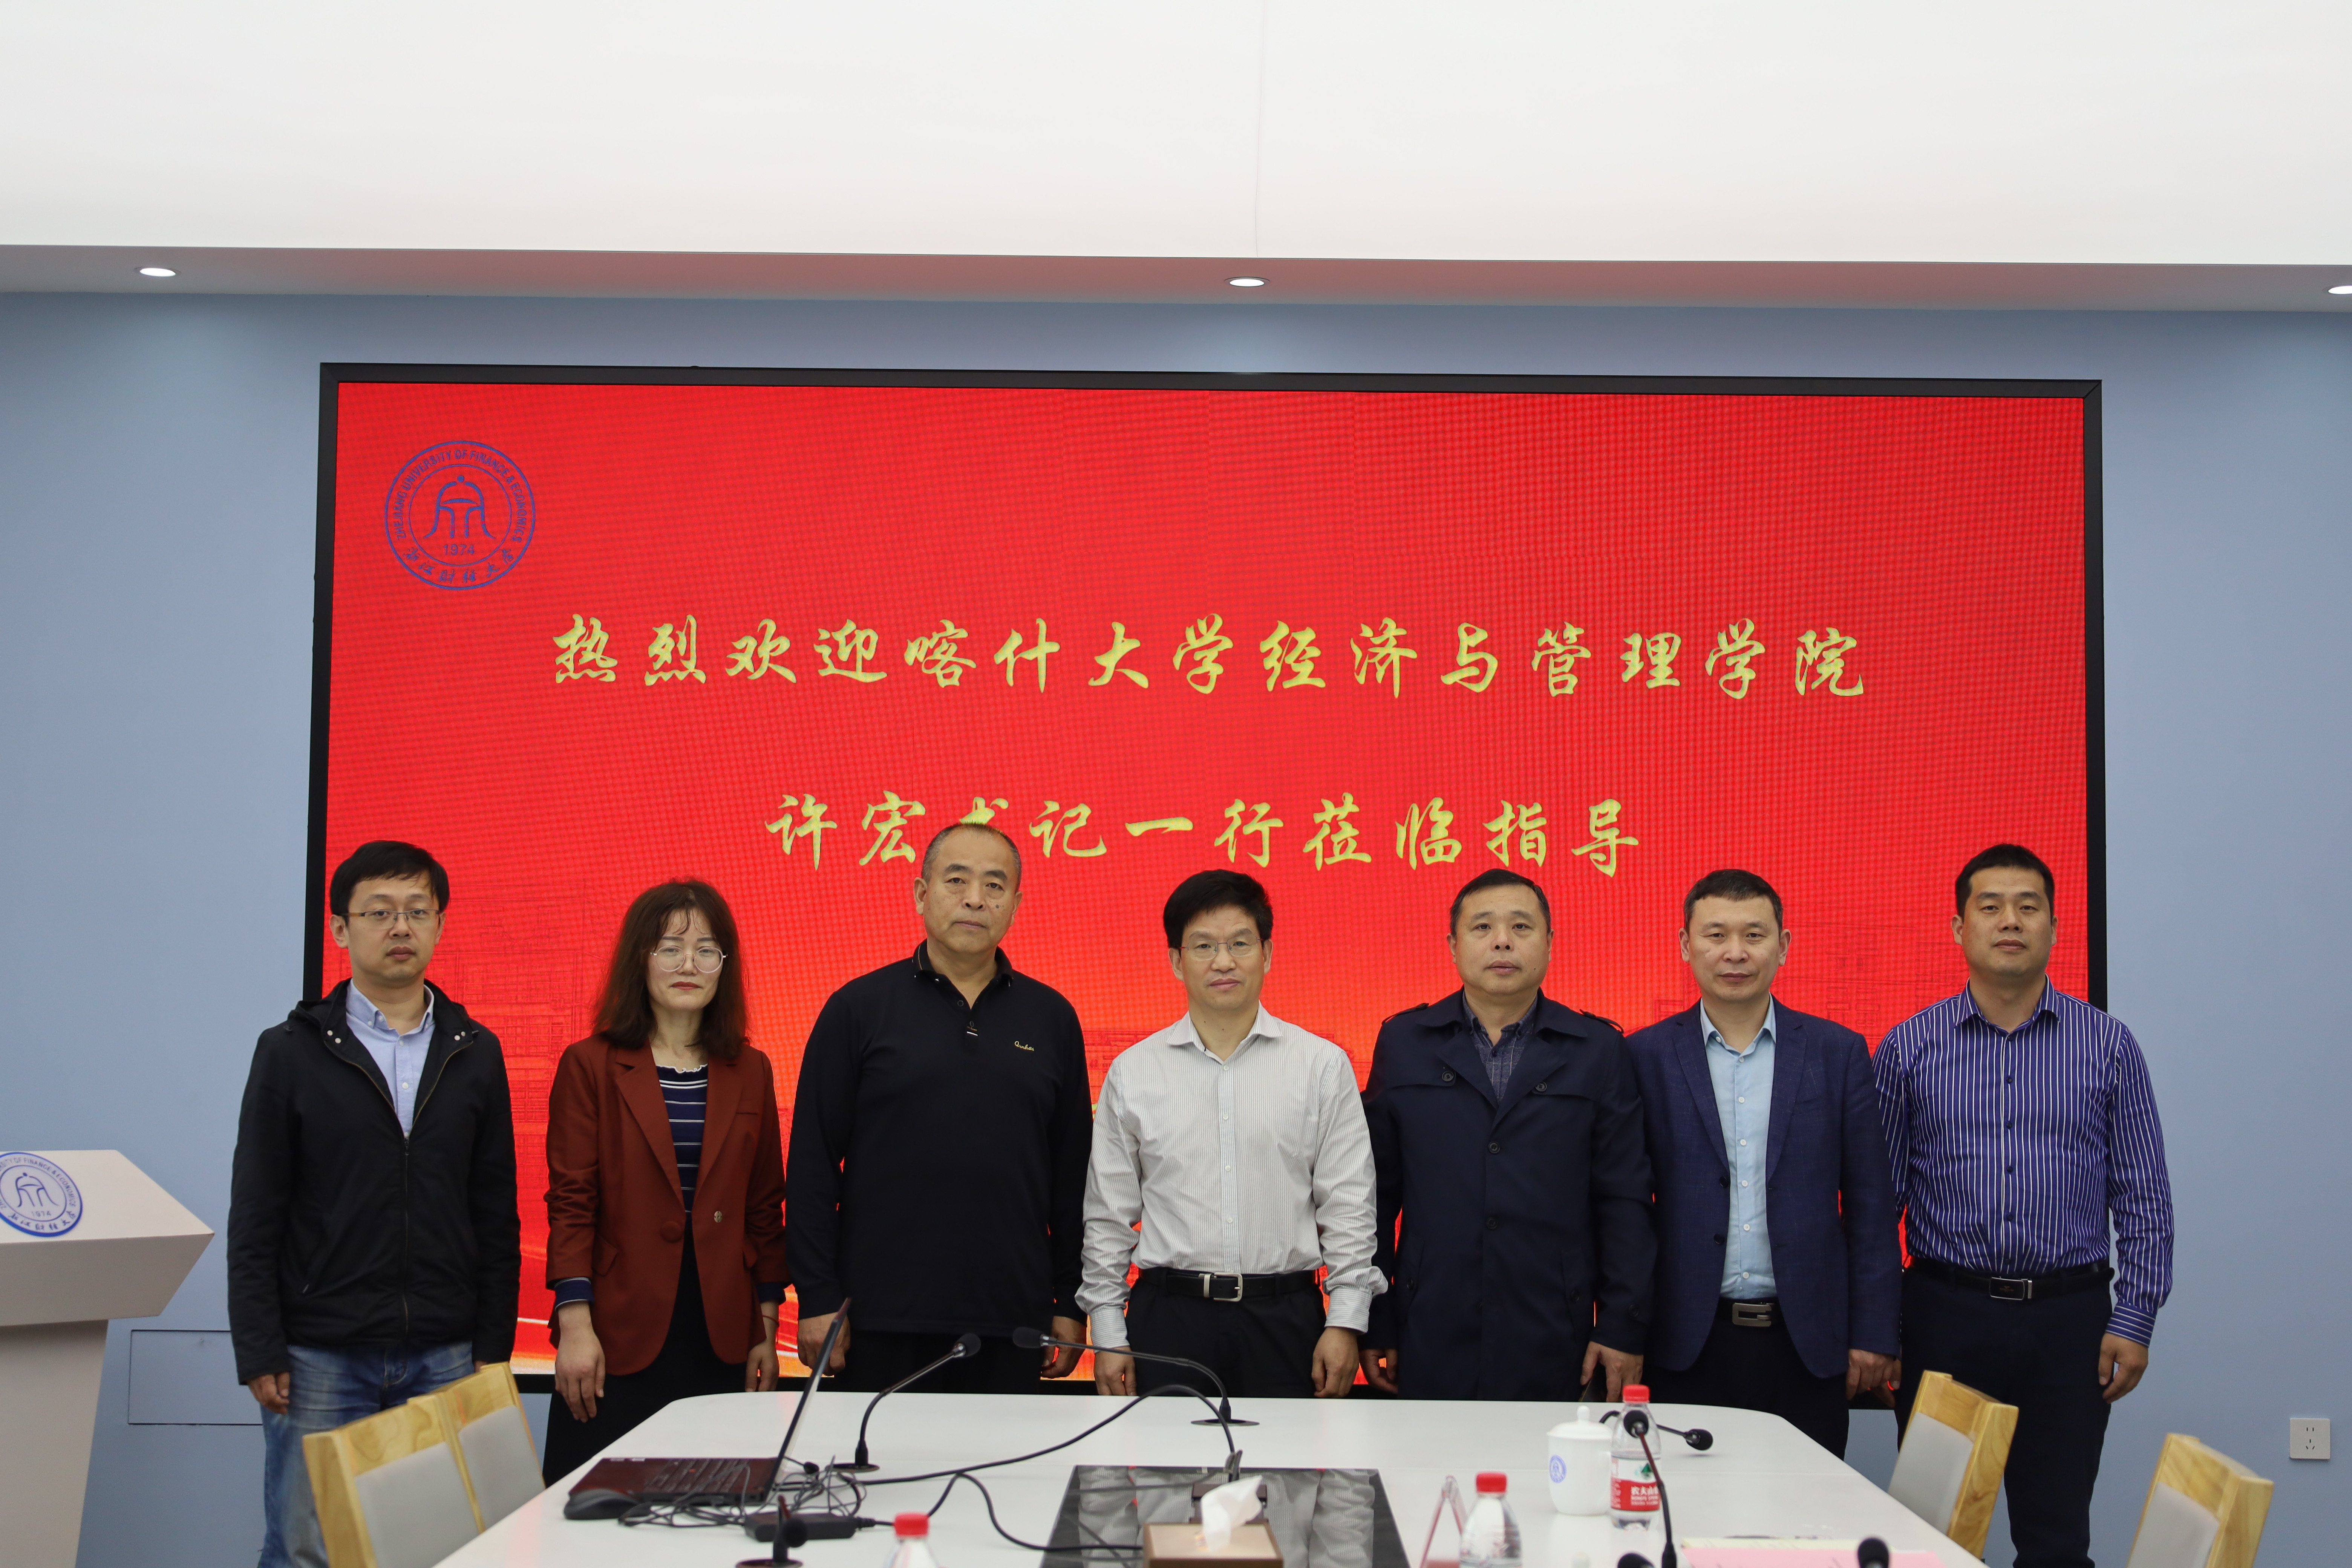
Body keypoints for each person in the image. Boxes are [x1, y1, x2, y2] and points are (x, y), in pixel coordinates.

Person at [1876, 844, 2174, 1568]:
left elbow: (2144, 1195)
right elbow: (1877, 1206)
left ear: (2054, 927)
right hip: (1945, 1317)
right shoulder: (1909, 1048)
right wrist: (1878, 1327)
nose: (2010, 921)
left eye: (2028, 907)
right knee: (1934, 1536)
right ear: (1959, 928)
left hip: (2069, 1326)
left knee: (2057, 1541)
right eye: (1991, 907)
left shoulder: (2108, 1047)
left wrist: (2134, 1317)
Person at [229, 841, 519, 1568]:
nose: (401, 927)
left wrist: (493, 1346)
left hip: (446, 1353)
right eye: (380, 912)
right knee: (307, 1550)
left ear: (440, 925)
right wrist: (260, 1346)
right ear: (340, 928)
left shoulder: (475, 1051)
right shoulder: (289, 1052)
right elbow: (257, 1211)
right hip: (320, 1355)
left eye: (418, 911)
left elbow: (494, 1209)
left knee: (443, 1547)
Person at [786, 822, 1092, 1390]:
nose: (975, 898)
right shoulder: (857, 1009)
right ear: (922, 894)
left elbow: (1073, 1177)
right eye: (957, 880)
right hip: (876, 1319)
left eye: (995, 885)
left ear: (1016, 905)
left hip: (1014, 1321)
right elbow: (812, 1165)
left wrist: (1071, 1300)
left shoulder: (1051, 1018)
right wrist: (818, 1296)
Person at [1622, 869, 1901, 1458]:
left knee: (1805, 1511)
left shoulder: (1838, 1053)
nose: (1735, 953)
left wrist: (1874, 1331)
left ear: (1784, 945)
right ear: (1686, 945)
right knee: (1690, 1509)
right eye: (1716, 935)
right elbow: (1625, 1208)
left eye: (1754, 935)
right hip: (1686, 1342)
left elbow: (1872, 1206)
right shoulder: (1643, 1056)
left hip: (1808, 1345)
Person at [1080, 870, 1383, 1400]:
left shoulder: (1322, 1066)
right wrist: (1107, 1328)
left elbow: (1349, 1206)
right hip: (1168, 1320)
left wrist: (1345, 1321)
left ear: (1267, 953)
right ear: (1177, 961)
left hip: (1286, 1320)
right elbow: (1108, 1214)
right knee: (1163, 1456)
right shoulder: (1133, 1072)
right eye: (1203, 946)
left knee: (1291, 1457)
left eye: (1240, 944)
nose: (1223, 961)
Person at [1360, 868, 1653, 1401]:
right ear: (1453, 945)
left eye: (1521, 926)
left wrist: (1620, 1324)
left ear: (1549, 942)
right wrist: (1374, 1318)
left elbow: (1624, 1199)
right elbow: (1374, 1197)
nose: (1502, 941)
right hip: (1430, 1327)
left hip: (1556, 1330)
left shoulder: (1597, 1050)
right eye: (1482, 927)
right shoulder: (1405, 1043)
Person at [541, 880, 789, 1483]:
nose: (689, 966)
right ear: (640, 960)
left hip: (720, 1333)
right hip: (616, 1331)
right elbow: (572, 1204)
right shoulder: (590, 1065)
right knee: (601, 1506)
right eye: (670, 948)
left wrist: (766, 1327)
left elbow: (764, 1208)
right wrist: (575, 1325)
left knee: (714, 1505)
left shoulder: (751, 1070)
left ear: (725, 966)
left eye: (706, 951)